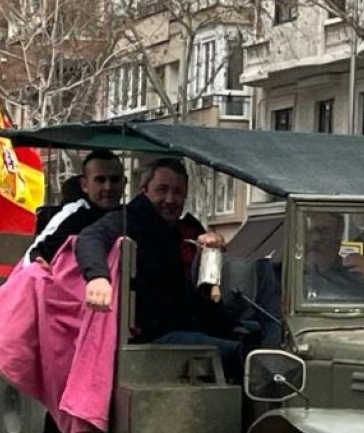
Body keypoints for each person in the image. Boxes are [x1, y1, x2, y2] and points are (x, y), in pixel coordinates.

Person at [76, 158, 239, 369]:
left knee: (255, 334)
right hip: (151, 337)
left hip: (188, 326)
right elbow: (90, 238)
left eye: (178, 192)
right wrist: (98, 277)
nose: (170, 199)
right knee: (239, 355)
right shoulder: (132, 219)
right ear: (145, 190)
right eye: (162, 190)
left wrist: (211, 246)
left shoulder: (185, 228)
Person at [26, 150, 126, 264]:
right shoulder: (74, 218)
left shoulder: (135, 217)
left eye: (115, 180)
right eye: (100, 180)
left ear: (124, 183)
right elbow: (37, 254)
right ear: (84, 185)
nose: (108, 187)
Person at [302, 211, 364, 301]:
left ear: (338, 239)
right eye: (311, 231)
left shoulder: (354, 275)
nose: (316, 238)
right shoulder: (289, 275)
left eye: (325, 232)